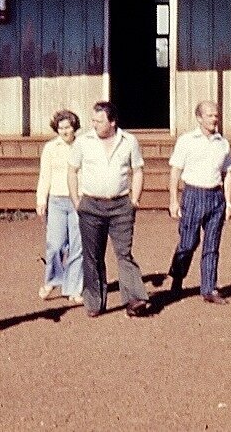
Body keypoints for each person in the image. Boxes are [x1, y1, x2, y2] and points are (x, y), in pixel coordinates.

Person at [67, 101, 151, 317]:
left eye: (99, 121)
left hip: (121, 205)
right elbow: (72, 171)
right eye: (93, 120)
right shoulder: (83, 142)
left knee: (124, 253)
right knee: (92, 256)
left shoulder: (129, 141)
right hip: (91, 205)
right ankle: (94, 302)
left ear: (112, 122)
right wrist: (77, 201)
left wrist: (134, 200)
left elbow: (138, 171)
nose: (94, 124)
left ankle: (134, 300)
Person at [167, 100, 231, 304]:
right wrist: (173, 200)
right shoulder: (186, 141)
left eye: (216, 115)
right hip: (193, 196)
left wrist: (229, 202)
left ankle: (209, 288)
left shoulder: (222, 143)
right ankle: (177, 277)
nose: (214, 119)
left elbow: (227, 173)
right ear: (199, 118)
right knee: (188, 243)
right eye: (210, 115)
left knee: (212, 245)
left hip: (216, 197)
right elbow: (175, 171)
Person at [35, 109, 84, 303]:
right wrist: (41, 199)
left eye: (68, 127)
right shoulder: (50, 148)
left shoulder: (81, 146)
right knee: (55, 245)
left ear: (74, 128)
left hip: (78, 200)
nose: (64, 131)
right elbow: (44, 175)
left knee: (77, 246)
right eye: (61, 128)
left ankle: (74, 288)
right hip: (56, 200)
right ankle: (52, 280)